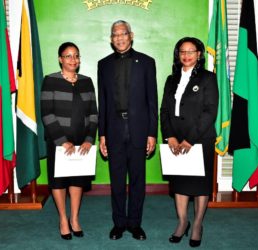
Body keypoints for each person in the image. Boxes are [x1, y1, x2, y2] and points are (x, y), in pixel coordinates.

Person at [98, 20, 158, 241]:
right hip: (113, 129)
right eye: (115, 34)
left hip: (139, 129)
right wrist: (101, 134)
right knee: (116, 180)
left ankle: (135, 224)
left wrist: (152, 132)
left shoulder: (146, 62)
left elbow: (152, 100)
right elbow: (102, 102)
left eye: (123, 33)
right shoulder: (103, 64)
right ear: (111, 38)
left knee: (137, 180)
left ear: (131, 35)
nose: (119, 37)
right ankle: (118, 224)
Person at [160, 37, 218, 247]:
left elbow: (210, 111)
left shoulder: (208, 78)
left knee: (200, 186)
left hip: (200, 140)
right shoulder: (170, 79)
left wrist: (190, 140)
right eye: (182, 51)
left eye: (191, 51)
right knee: (180, 183)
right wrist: (170, 137)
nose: (186, 55)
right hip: (175, 140)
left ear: (199, 54)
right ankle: (183, 222)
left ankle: (197, 225)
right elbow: (164, 111)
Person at [41, 42, 98, 240]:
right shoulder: (50, 80)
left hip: (82, 141)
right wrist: (62, 140)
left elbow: (93, 114)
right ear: (60, 59)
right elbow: (46, 114)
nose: (73, 59)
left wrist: (90, 139)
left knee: (77, 179)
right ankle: (63, 219)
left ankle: (74, 218)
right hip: (59, 142)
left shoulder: (86, 81)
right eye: (68, 56)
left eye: (76, 56)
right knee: (59, 181)